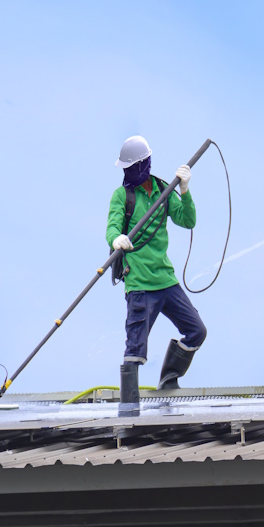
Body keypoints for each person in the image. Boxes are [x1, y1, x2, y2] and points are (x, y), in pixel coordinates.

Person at [107, 135, 205, 404]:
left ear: (144, 164)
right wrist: (116, 239)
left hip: (166, 280)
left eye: (131, 167)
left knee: (197, 330)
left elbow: (187, 220)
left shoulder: (164, 190)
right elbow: (112, 227)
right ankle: (130, 408)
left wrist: (184, 190)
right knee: (135, 350)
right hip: (139, 283)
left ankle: (169, 378)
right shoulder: (122, 196)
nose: (127, 173)